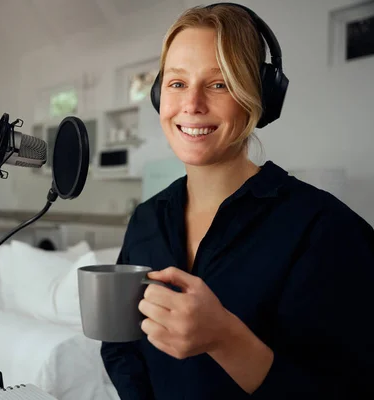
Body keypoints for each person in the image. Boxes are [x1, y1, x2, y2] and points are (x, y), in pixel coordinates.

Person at [100, 3, 374, 400]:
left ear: (258, 97)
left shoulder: (326, 229)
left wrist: (226, 339)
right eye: (177, 83)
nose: (191, 104)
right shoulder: (146, 219)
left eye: (219, 84)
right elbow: (120, 345)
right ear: (160, 94)